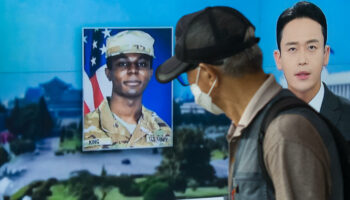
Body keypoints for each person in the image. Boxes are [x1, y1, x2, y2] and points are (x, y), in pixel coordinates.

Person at [156, 6, 343, 200]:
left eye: (187, 78)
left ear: (209, 75)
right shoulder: (250, 127)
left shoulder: (284, 131)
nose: (191, 87)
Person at [273, 1, 350, 142]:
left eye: (312, 47)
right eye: (292, 49)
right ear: (278, 59)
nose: (302, 60)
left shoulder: (348, 116)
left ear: (325, 55)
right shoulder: (264, 122)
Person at [83, 30, 172, 151]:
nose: (133, 70)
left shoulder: (164, 131)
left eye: (141, 64)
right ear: (108, 73)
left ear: (150, 73)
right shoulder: (85, 128)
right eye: (123, 64)